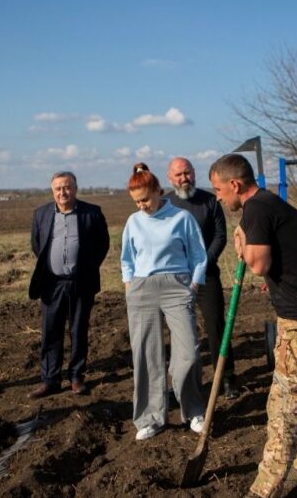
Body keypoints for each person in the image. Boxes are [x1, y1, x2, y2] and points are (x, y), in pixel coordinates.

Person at [208, 153, 297, 498]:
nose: (218, 197)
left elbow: (259, 265)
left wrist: (241, 245)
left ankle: (265, 489)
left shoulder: (257, 209)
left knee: (284, 403)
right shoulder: (267, 204)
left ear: (235, 184)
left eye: (218, 189)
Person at [121, 163, 208, 441]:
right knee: (146, 354)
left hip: (176, 287)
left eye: (145, 199)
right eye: (137, 202)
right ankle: (151, 418)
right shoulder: (133, 222)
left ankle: (193, 410)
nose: (142, 206)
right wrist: (129, 286)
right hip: (142, 288)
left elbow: (199, 255)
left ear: (158, 190)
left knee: (189, 352)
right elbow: (127, 259)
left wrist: (193, 285)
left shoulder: (181, 218)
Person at [27, 171, 110, 398]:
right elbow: (37, 244)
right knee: (50, 331)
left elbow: (102, 244)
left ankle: (76, 377)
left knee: (78, 330)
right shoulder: (41, 214)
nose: (62, 192)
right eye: (58, 188)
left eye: (67, 187)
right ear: (52, 191)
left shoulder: (92, 213)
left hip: (81, 282)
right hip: (51, 284)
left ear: (75, 188)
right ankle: (50, 380)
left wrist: (87, 267)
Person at [164, 157, 238, 399]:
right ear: (170, 178)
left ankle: (226, 377)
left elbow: (220, 235)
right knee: (178, 330)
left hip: (207, 274)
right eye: (178, 175)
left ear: (194, 173)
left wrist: (203, 262)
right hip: (176, 278)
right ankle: (182, 381)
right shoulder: (165, 204)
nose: (184, 178)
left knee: (216, 326)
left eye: (187, 173)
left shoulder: (210, 201)